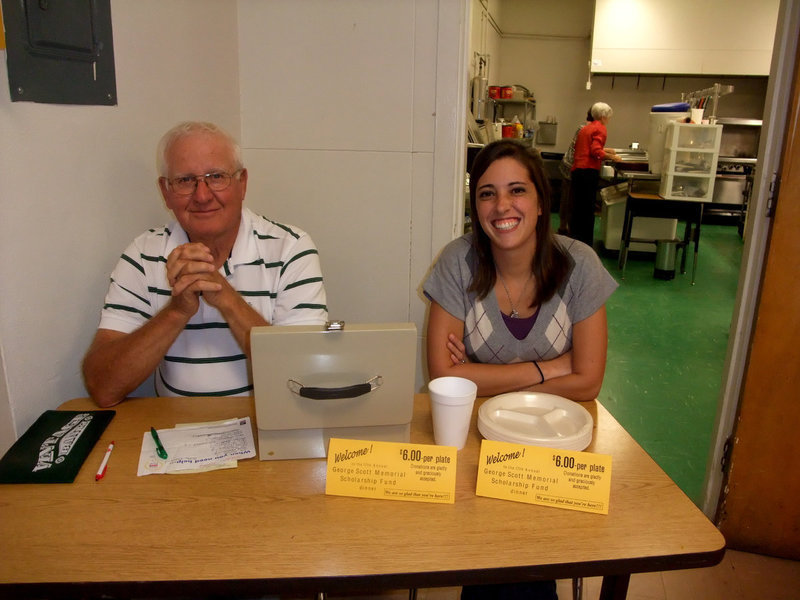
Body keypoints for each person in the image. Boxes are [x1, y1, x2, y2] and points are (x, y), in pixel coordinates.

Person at [82, 121, 328, 407]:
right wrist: (176, 312)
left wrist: (225, 298)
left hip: (270, 424)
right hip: (177, 433)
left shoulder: (291, 248)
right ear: (165, 191)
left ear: (242, 182)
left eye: (216, 176)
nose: (202, 195)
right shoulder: (142, 254)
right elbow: (103, 389)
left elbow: (304, 376)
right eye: (185, 180)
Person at [424, 139, 617, 403]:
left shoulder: (581, 266)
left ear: (540, 203)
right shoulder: (457, 262)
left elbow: (587, 384)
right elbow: (444, 378)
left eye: (517, 190)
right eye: (487, 193)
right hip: (477, 428)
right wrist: (551, 368)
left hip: (557, 430)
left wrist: (479, 378)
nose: (502, 206)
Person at [569, 102, 621, 248]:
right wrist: (613, 158)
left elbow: (588, 147)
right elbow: (595, 151)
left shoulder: (585, 128)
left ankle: (575, 241)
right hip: (588, 172)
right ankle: (586, 244)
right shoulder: (601, 129)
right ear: (604, 116)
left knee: (578, 209)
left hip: (577, 171)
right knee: (587, 210)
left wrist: (607, 151)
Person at [556, 108, 594, 235]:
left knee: (567, 199)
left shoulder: (583, 127)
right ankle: (565, 230)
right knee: (569, 200)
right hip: (572, 168)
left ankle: (564, 228)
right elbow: (591, 151)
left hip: (571, 166)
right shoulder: (588, 129)